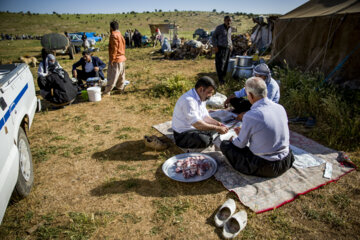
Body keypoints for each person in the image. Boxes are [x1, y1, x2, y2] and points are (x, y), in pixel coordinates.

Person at [220, 77, 294, 178]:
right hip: (286, 160)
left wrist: (235, 139)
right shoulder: (280, 108)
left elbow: (240, 145)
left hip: (267, 166)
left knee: (225, 145)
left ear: (250, 95)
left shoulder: (251, 115)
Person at [172, 76, 229, 149]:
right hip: (183, 134)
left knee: (218, 120)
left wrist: (217, 124)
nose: (210, 95)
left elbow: (205, 116)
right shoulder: (188, 100)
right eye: (209, 92)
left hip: (196, 128)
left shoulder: (201, 96)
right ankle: (209, 136)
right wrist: (216, 128)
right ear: (201, 89)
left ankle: (210, 134)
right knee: (204, 140)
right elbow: (197, 124)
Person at [103, 20, 127, 96]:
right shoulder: (120, 34)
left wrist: (112, 59)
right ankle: (120, 88)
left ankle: (107, 92)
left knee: (112, 76)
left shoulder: (113, 35)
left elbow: (114, 49)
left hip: (116, 58)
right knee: (121, 75)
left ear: (111, 27)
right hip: (122, 57)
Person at [212, 16, 233, 85]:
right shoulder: (219, 28)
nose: (229, 22)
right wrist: (215, 46)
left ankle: (223, 77)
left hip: (227, 48)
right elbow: (214, 37)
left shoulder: (230, 28)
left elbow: (229, 38)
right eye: (227, 20)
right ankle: (220, 79)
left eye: (230, 20)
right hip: (220, 48)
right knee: (220, 64)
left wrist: (231, 45)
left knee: (226, 63)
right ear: (224, 20)